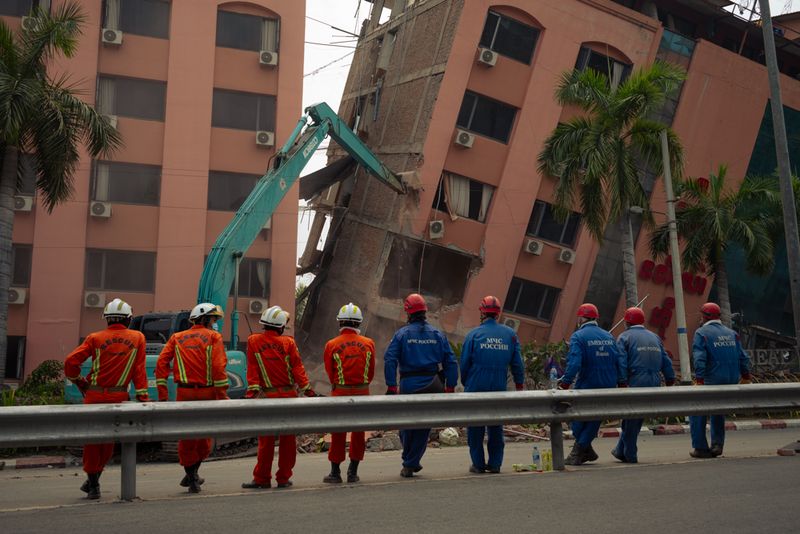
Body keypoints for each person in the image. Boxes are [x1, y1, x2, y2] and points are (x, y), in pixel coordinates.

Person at [64, 298, 149, 499]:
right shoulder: (138, 338)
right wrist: (143, 397)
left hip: (93, 396)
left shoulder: (95, 338)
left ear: (107, 319)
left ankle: (93, 484)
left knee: (93, 442)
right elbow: (139, 372)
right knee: (109, 442)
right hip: (118, 397)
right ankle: (94, 482)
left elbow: (70, 361)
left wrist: (78, 380)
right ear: (128, 319)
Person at [156, 302, 229, 493]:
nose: (215, 323)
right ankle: (193, 475)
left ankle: (191, 475)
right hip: (207, 393)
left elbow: (161, 363)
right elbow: (218, 367)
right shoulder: (214, 337)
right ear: (205, 319)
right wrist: (222, 396)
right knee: (204, 437)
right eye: (213, 319)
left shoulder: (176, 338)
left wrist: (163, 394)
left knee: (187, 436)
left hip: (184, 393)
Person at [384, 293, 458, 478]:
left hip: (409, 384)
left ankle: (409, 461)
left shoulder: (402, 334)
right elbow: (451, 361)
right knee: (423, 426)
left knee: (406, 423)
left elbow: (390, 359)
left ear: (408, 313)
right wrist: (450, 386)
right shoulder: (437, 334)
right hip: (433, 384)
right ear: (425, 312)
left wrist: (391, 386)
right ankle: (411, 460)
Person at [242, 305, 316, 489]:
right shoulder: (288, 343)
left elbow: (252, 369)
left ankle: (261, 479)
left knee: (265, 440)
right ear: (281, 326)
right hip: (289, 396)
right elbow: (297, 368)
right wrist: (307, 389)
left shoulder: (253, 341)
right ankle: (283, 478)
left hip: (268, 397)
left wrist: (252, 391)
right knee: (288, 441)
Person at [460, 296, 525, 474]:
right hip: (498, 387)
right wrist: (519, 385)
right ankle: (495, 464)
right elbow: (517, 364)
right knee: (496, 426)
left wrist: (466, 382)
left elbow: (464, 363)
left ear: (482, 312)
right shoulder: (510, 335)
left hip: (475, 386)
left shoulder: (474, 334)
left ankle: (478, 465)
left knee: (475, 427)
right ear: (498, 313)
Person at [559, 303, 625, 466]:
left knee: (577, 416)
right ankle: (585, 450)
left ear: (581, 318)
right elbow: (619, 361)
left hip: (588, 383)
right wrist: (622, 381)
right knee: (594, 418)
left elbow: (574, 363)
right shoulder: (608, 336)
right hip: (608, 383)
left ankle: (578, 451)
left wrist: (565, 382)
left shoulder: (578, 336)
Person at [612, 307, 676, 463]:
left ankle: (630, 454)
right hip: (654, 381)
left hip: (635, 380)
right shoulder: (654, 337)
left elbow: (621, 362)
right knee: (636, 417)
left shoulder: (624, 337)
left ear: (626, 321)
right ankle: (620, 450)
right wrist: (670, 378)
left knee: (630, 416)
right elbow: (665, 360)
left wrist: (621, 381)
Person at [689, 302, 752, 459]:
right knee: (718, 411)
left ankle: (700, 448)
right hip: (731, 380)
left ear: (704, 316)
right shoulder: (732, 333)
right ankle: (717, 444)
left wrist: (699, 380)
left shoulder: (701, 333)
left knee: (696, 410)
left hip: (712, 379)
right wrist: (746, 376)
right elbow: (743, 357)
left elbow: (699, 358)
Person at [322, 303, 376, 484]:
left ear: (340, 323)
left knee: (338, 432)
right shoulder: (369, 344)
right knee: (359, 432)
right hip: (362, 392)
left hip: (340, 393)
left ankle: (335, 473)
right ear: (358, 324)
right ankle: (353, 472)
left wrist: (339, 385)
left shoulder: (331, 344)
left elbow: (330, 372)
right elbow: (371, 373)